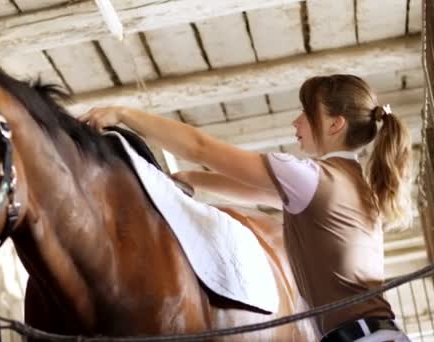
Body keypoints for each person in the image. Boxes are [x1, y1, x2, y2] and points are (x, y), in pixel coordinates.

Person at [79, 74, 412, 342]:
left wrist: (124, 114)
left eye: (305, 113)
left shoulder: (310, 177)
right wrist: (189, 180)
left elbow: (200, 147)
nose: (295, 123)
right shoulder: (352, 185)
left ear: (335, 124)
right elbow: (255, 192)